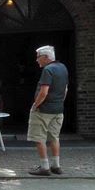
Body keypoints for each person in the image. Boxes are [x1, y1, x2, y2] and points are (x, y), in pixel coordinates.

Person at [27, 45, 68, 176]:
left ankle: (45, 167)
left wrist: (35, 105)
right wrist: (60, 102)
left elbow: (44, 92)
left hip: (43, 110)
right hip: (58, 110)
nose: (37, 60)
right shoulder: (63, 68)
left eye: (38, 57)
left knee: (39, 138)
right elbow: (65, 89)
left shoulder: (48, 70)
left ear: (46, 57)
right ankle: (56, 165)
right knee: (54, 138)